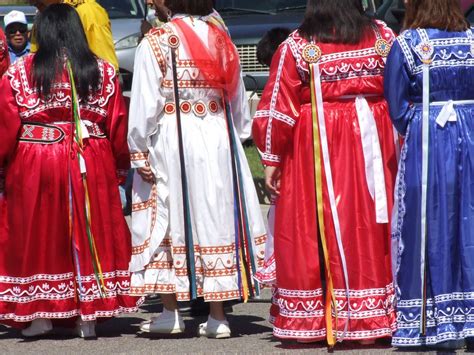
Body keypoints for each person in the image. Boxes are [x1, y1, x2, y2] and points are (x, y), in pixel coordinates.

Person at [253, 0, 399, 346]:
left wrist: (271, 156)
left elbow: (278, 104)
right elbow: (403, 90)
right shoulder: (383, 36)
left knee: (324, 226)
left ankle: (327, 316)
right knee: (373, 226)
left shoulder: (299, 46)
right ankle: (374, 314)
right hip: (376, 141)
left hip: (319, 142)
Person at [0, 4, 140, 338]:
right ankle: (86, 316)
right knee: (88, 229)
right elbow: (117, 124)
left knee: (39, 234)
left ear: (40, 33)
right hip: (91, 157)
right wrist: (119, 169)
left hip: (37, 158)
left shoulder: (19, 73)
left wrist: (3, 167)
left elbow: (6, 124)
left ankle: (40, 314)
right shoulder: (104, 71)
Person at [128, 0, 266, 339]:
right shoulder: (221, 38)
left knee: (168, 214)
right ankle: (218, 316)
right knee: (214, 216)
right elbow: (236, 99)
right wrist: (233, 133)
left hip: (175, 135)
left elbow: (146, 102)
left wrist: (138, 148)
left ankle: (170, 311)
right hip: (217, 133)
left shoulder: (158, 41)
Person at [385, 0, 474, 349]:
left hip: (430, 140)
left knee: (430, 224)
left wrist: (421, 125)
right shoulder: (471, 40)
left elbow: (397, 106)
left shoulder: (407, 44)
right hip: (470, 134)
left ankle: (435, 319)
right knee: (468, 221)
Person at [28, 0, 119, 69]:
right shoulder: (42, 13)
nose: (31, 2)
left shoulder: (88, 12)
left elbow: (106, 66)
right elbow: (34, 57)